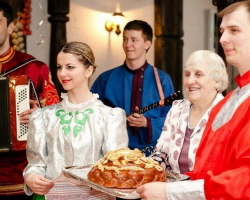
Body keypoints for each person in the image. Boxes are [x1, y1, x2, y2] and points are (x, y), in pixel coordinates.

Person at [136, 1, 250, 199]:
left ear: (217, 81)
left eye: (234, 30)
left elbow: (244, 181)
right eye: (222, 30)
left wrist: (171, 192)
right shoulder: (230, 101)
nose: (223, 39)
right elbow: (207, 168)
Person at [23, 42, 129, 200]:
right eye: (59, 67)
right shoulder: (43, 117)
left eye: (70, 67)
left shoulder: (110, 117)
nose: (62, 73)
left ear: (89, 70)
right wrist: (31, 177)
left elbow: (116, 169)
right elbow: (36, 164)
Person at [0, 1, 59, 200]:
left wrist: (41, 116)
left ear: (10, 27)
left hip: (19, 173)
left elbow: (58, 118)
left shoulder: (34, 68)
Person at [91, 20, 174, 156]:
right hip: (113, 153)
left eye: (134, 40)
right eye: (125, 39)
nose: (128, 45)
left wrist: (147, 123)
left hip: (152, 154)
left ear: (147, 44)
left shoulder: (163, 79)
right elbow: (92, 114)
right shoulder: (105, 79)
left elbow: (173, 119)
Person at [150, 50, 228, 174]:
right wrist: (146, 169)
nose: (190, 81)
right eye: (187, 74)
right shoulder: (177, 109)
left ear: (217, 81)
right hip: (173, 190)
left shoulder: (228, 113)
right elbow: (162, 153)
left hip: (209, 191)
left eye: (198, 74)